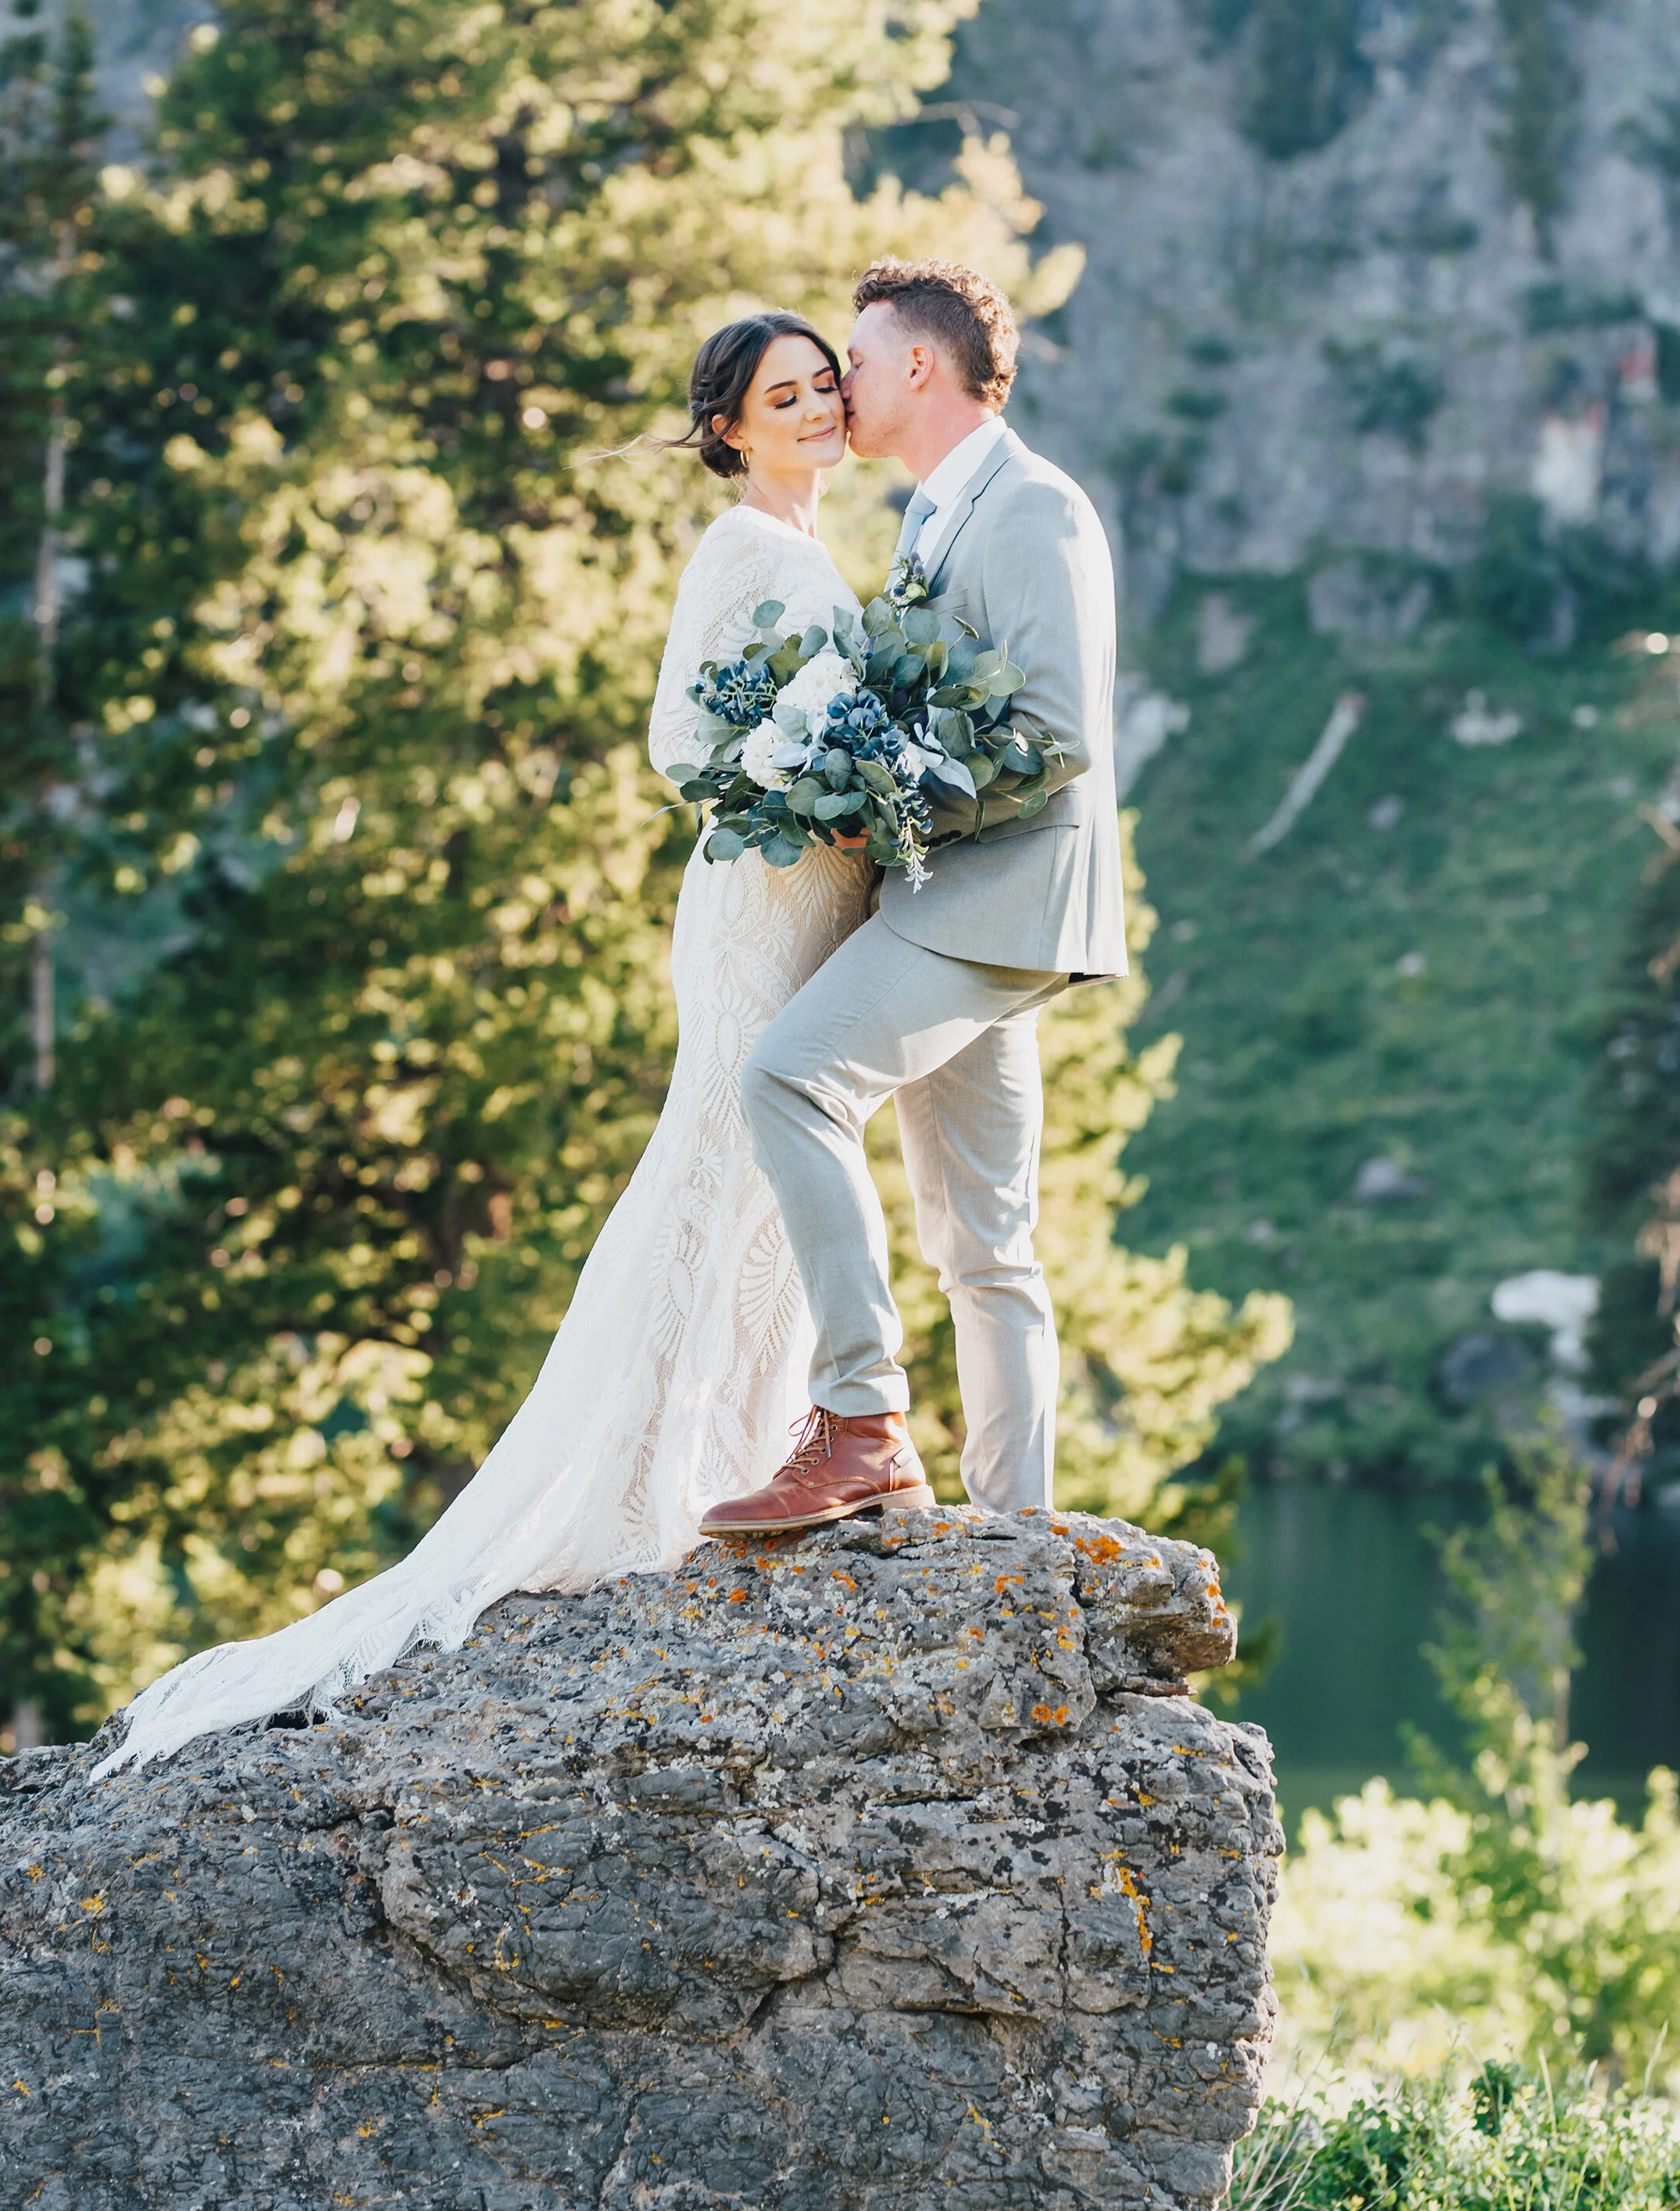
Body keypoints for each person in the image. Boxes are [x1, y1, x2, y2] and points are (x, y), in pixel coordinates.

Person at [94, 311, 872, 1773]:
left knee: (780, 1182)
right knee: (719, 1162)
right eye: (787, 394)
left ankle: (751, 1447)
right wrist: (807, 793)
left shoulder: (818, 550)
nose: (819, 405)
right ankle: (648, 1484)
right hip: (759, 904)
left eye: (826, 383)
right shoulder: (741, 550)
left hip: (829, 901)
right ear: (729, 429)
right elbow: (683, 743)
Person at [699, 256, 1127, 1539]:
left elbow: (1057, 729)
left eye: (860, 360)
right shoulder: (937, 515)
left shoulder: (1033, 507)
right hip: (969, 893)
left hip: (997, 893)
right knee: (985, 1235)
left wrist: (890, 801)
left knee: (790, 1079)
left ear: (923, 365)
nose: (844, 385)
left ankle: (862, 1419)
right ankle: (1020, 1534)